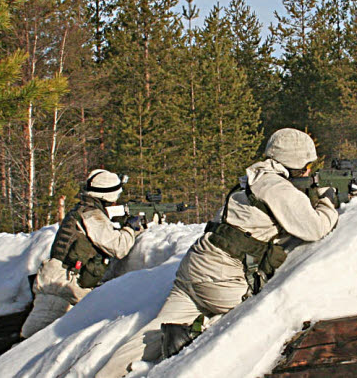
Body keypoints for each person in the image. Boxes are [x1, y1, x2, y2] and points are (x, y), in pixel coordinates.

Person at [96, 128, 339, 378]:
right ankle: (190, 344)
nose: (310, 170)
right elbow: (316, 227)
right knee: (237, 327)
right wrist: (328, 201)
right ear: (297, 163)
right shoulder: (277, 187)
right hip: (222, 280)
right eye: (308, 165)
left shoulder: (250, 179)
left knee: (151, 336)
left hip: (194, 268)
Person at [20, 169, 147, 339]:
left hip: (63, 283)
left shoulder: (86, 211)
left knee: (40, 344)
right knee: (31, 343)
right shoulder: (91, 215)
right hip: (59, 289)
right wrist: (131, 228)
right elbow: (119, 247)